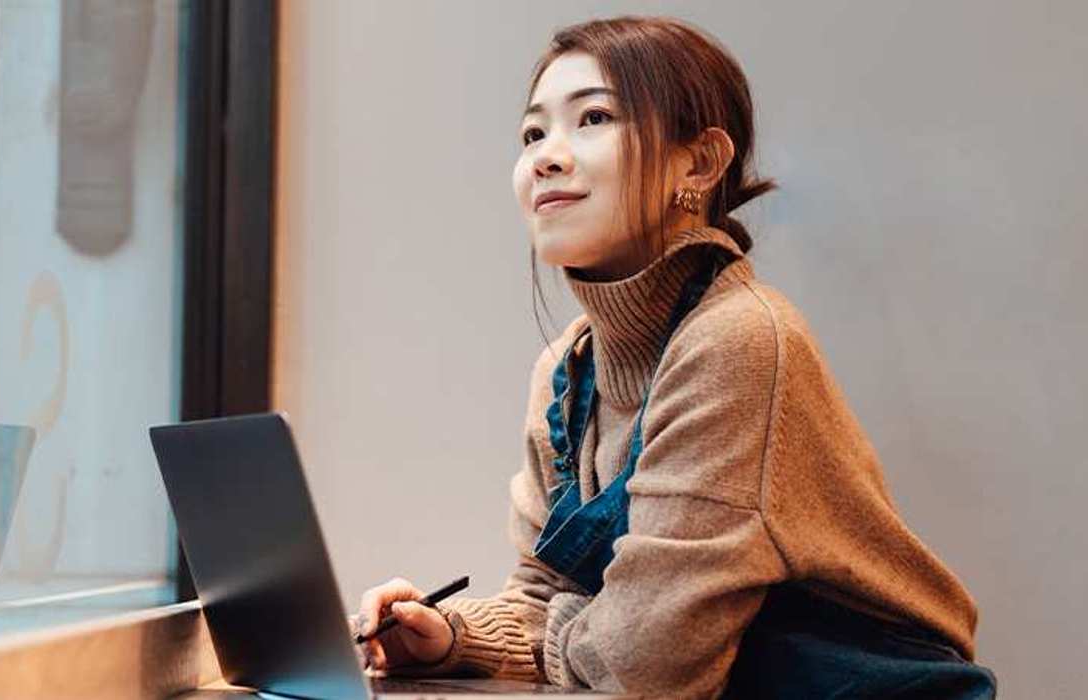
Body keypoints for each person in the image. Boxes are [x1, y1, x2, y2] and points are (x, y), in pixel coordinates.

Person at [352, 15, 997, 699]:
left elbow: (647, 664)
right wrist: (449, 635)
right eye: (532, 133)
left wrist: (570, 633)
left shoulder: (739, 341)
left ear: (698, 164)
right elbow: (548, 592)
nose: (545, 157)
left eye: (593, 118)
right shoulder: (565, 372)